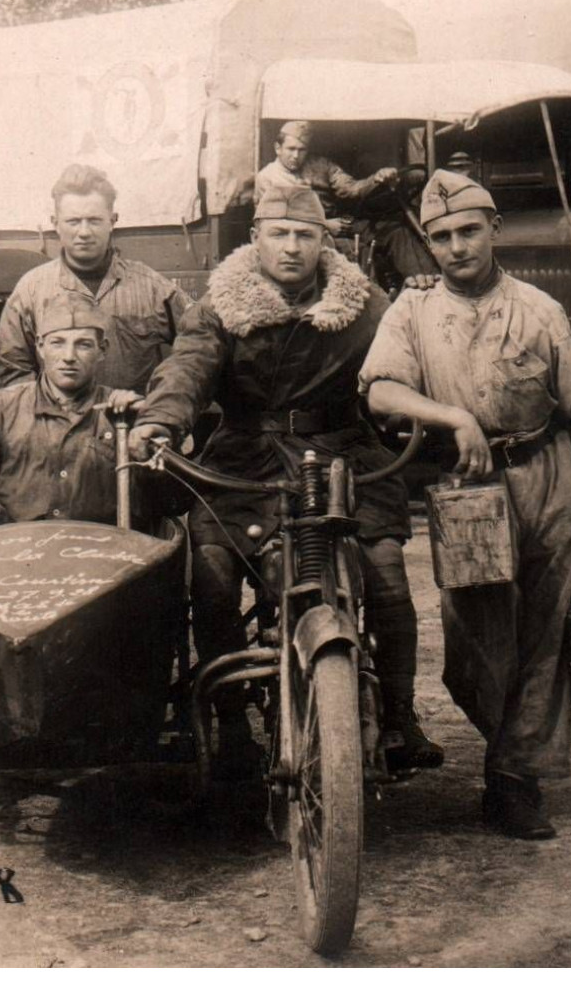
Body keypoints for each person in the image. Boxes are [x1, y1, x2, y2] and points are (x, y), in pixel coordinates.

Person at [127, 185, 440, 778]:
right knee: (213, 572)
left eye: (305, 235)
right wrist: (162, 420)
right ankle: (230, 722)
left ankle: (400, 715)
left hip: (343, 453)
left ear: (326, 241)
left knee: (388, 574)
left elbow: (404, 360)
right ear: (256, 239)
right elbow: (188, 368)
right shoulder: (220, 307)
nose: (292, 247)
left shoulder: (366, 305)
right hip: (246, 457)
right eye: (280, 233)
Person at [361, 169, 571, 840]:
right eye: (441, 236)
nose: (455, 247)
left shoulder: (539, 309)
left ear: (493, 229)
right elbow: (381, 393)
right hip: (471, 493)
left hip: (549, 477)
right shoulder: (411, 310)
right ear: (428, 240)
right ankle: (511, 751)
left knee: (544, 634)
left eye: (468, 231)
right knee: (475, 642)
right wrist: (452, 416)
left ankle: (511, 780)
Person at [0, 301, 164, 536]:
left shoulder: (124, 414)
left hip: (100, 559)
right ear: (40, 347)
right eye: (57, 343)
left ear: (102, 350)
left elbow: (169, 501)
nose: (69, 357)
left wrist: (145, 436)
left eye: (83, 345)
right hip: (16, 556)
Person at [0, 164, 191, 394]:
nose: (85, 232)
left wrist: (162, 406)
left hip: (134, 424)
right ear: (55, 223)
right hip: (59, 426)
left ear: (112, 221)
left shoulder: (152, 288)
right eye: (73, 221)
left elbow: (199, 346)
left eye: (94, 220)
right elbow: (14, 371)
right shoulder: (31, 290)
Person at [254, 121, 398, 232]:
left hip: (338, 225)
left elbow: (351, 188)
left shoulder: (321, 165)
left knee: (394, 231)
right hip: (303, 237)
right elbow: (274, 223)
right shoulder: (267, 178)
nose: (296, 156)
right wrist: (324, 225)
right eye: (291, 149)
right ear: (278, 148)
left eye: (302, 150)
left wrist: (376, 178)